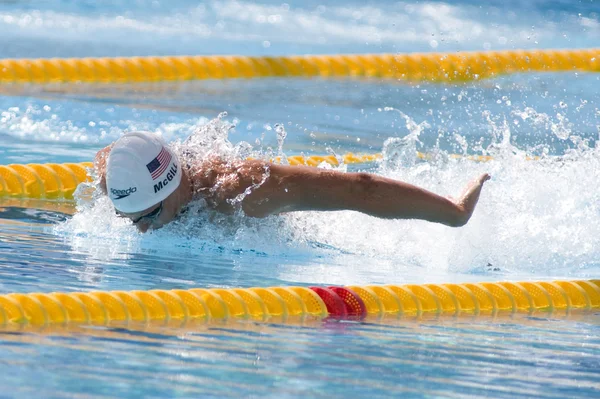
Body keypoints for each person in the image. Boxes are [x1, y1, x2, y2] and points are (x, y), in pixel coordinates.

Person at [94, 131, 490, 233]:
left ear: (174, 188)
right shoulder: (116, 172)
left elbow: (359, 188)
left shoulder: (242, 192)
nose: (142, 229)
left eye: (149, 216)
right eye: (130, 220)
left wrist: (453, 213)